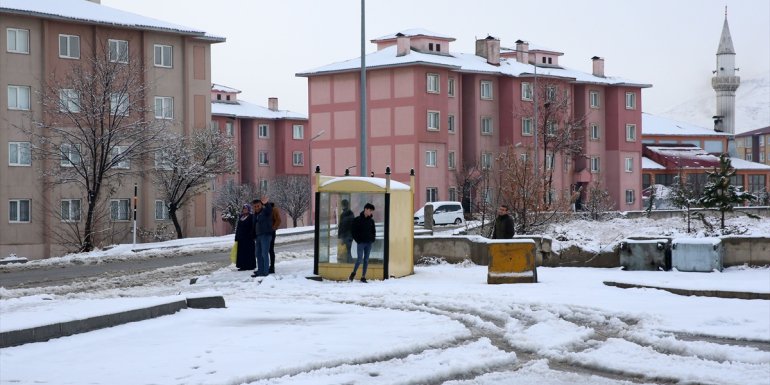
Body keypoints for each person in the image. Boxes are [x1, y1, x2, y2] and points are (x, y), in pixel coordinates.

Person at [349, 203, 376, 283]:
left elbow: (373, 231)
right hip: (361, 243)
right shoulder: (357, 219)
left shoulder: (371, 221)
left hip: (369, 243)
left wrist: (372, 239)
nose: (371, 212)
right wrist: (358, 240)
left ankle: (363, 277)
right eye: (370, 210)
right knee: (359, 259)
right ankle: (353, 273)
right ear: (366, 209)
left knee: (366, 260)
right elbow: (353, 231)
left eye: (372, 211)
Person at [250, 197, 273, 277]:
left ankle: (265, 272)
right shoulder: (254, 215)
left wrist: (266, 203)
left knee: (264, 254)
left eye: (258, 206)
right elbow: (253, 226)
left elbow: (270, 210)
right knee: (258, 254)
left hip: (265, 235)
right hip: (258, 236)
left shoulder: (265, 212)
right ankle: (260, 271)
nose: (256, 208)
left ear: (261, 205)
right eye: (255, 206)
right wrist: (253, 235)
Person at [234, 204, 256, 271]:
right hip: (241, 238)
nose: (244, 210)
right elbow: (238, 227)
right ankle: (242, 266)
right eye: (244, 209)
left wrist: (251, 235)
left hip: (248, 238)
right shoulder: (241, 217)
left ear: (248, 209)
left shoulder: (251, 216)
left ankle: (249, 266)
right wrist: (236, 236)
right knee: (241, 253)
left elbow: (253, 227)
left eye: (246, 209)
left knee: (248, 252)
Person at [268, 202, 281, 274]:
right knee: (267, 250)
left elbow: (278, 220)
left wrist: (273, 228)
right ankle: (268, 266)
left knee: (270, 250)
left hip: (271, 232)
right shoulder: (266, 210)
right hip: (266, 232)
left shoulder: (274, 209)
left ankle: (272, 267)